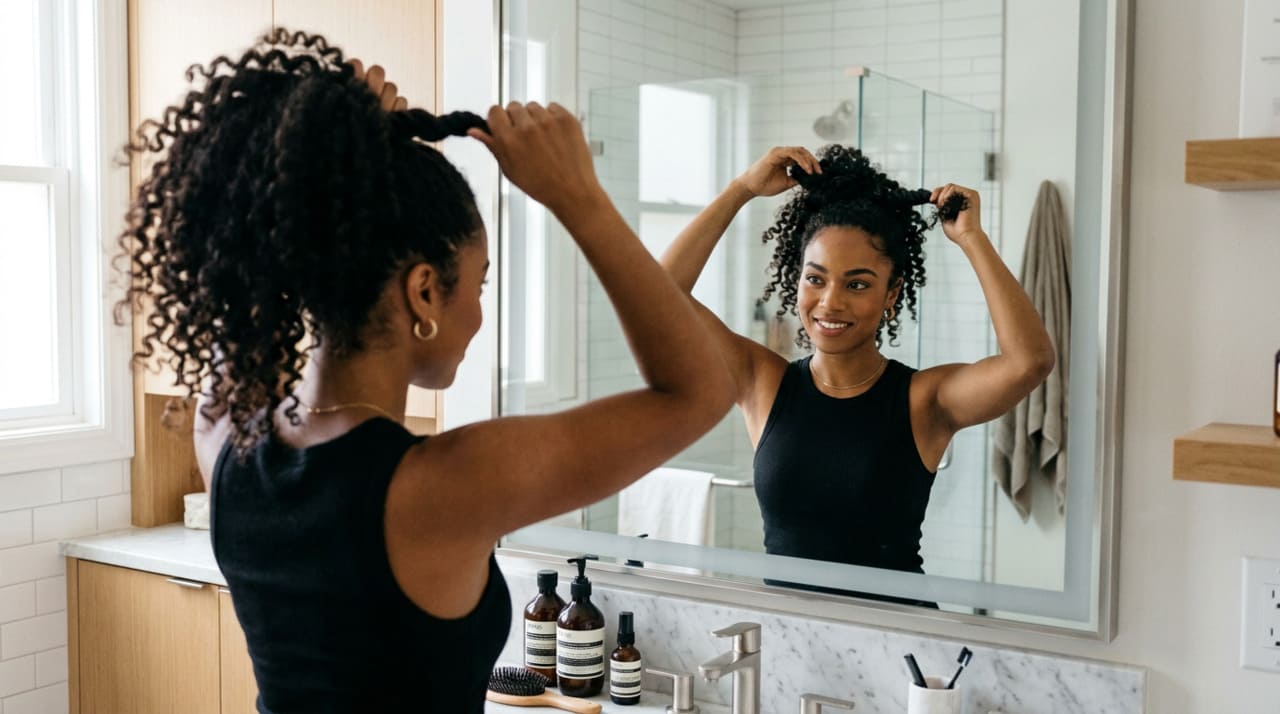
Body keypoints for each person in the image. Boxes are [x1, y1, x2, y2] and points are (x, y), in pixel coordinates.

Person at [117, 29, 733, 713]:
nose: (480, 312)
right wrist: (577, 195)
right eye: (480, 282)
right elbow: (699, 392)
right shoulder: (444, 486)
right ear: (424, 292)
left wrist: (320, 169)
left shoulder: (226, 438)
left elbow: (245, 275)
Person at [660, 145, 1054, 604]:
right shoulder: (762, 382)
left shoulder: (923, 400)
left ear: (892, 293)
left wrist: (971, 238)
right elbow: (659, 292)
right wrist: (741, 188)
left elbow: (1029, 361)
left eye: (858, 284)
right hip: (790, 635)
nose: (830, 302)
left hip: (896, 635)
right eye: (816, 278)